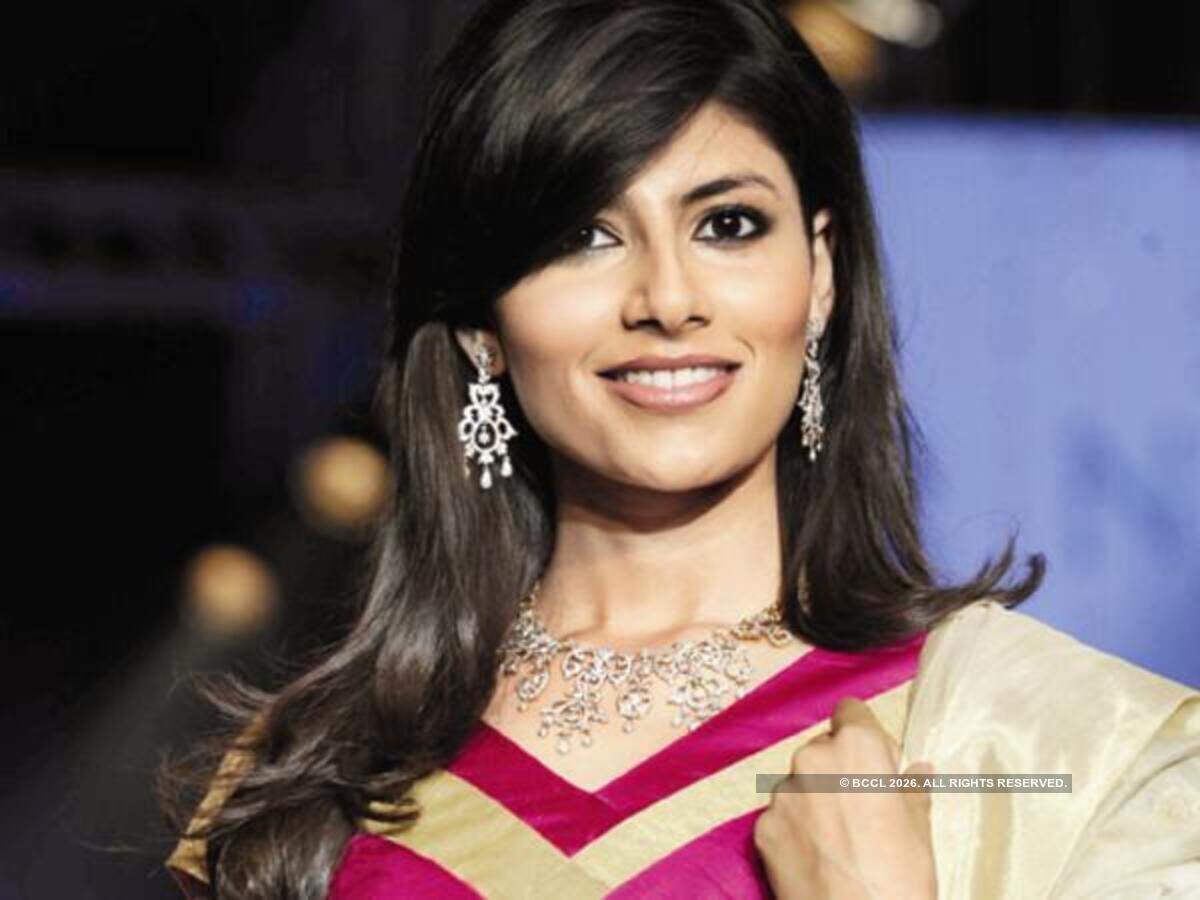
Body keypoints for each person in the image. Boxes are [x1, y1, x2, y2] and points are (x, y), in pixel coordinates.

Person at [162, 0, 1200, 897]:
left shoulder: (1057, 743)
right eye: (582, 236)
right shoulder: (318, 769)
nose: (667, 299)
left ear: (821, 274)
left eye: (729, 225)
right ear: (482, 321)